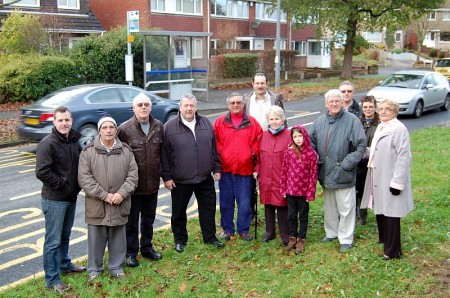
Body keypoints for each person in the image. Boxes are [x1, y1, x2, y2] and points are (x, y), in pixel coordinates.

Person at [161, 94, 224, 253]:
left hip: (204, 176)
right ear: (180, 107)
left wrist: (217, 168)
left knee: (208, 209)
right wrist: (167, 177)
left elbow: (213, 148)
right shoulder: (169, 127)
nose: (189, 109)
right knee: (178, 212)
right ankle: (180, 240)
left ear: (196, 107)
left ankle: (210, 238)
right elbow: (164, 155)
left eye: (192, 106)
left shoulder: (205, 123)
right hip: (181, 178)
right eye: (186, 106)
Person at [78, 116, 138, 282]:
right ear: (99, 131)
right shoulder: (88, 151)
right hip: (97, 204)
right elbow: (85, 179)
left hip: (120, 201)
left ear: (116, 130)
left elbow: (133, 176)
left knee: (118, 237)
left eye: (111, 127)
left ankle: (116, 267)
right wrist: (105, 195)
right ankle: (94, 269)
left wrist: (122, 193)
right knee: (96, 238)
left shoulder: (126, 151)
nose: (109, 130)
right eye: (104, 127)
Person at [35, 106, 86, 294]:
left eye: (67, 120)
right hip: (54, 200)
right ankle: (52, 279)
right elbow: (42, 172)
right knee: (53, 241)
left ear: (71, 120)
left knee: (65, 236)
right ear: (54, 122)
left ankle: (64, 265)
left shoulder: (73, 140)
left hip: (70, 198)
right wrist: (64, 184)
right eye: (60, 120)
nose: (64, 123)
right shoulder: (48, 144)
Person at [309, 89, 366, 253]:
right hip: (325, 172)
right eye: (331, 101)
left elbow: (360, 146)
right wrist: (316, 160)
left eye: (337, 101)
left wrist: (346, 164)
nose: (334, 104)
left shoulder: (352, 121)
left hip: (344, 172)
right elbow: (310, 143)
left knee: (346, 208)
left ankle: (346, 238)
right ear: (326, 104)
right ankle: (331, 233)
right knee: (330, 207)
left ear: (342, 103)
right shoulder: (319, 122)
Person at [361, 99, 413, 260]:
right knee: (381, 209)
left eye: (387, 109)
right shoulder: (382, 127)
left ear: (395, 112)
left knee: (391, 213)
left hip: (390, 176)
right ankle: (384, 240)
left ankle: (392, 251)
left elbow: (404, 157)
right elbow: (376, 149)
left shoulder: (399, 129)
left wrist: (397, 182)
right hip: (378, 173)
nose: (383, 111)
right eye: (381, 109)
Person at [117, 93, 164, 268]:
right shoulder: (124, 129)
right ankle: (130, 253)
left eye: (146, 104)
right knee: (131, 222)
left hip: (152, 184)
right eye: (140, 105)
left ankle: (147, 248)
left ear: (150, 107)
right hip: (132, 187)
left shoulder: (159, 126)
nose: (143, 107)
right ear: (134, 108)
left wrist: (165, 176)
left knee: (148, 219)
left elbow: (163, 154)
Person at [214, 93, 263, 241]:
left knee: (245, 203)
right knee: (225, 202)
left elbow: (259, 144)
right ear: (228, 105)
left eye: (239, 102)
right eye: (233, 103)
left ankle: (243, 229)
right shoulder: (219, 122)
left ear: (243, 105)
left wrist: (255, 164)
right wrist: (216, 167)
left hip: (245, 170)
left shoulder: (252, 123)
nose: (236, 105)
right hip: (226, 170)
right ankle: (228, 229)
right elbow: (213, 145)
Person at [243, 72, 285, 219]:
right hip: (251, 144)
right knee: (251, 177)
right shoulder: (246, 100)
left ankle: (277, 208)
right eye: (257, 83)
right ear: (252, 84)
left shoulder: (275, 99)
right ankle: (251, 210)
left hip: (271, 143)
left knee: (273, 176)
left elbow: (282, 119)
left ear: (267, 83)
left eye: (263, 83)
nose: (260, 86)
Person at [253, 106, 291, 246]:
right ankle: (269, 233)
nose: (274, 122)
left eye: (277, 119)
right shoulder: (263, 136)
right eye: (271, 119)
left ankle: (285, 235)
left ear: (282, 120)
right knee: (268, 205)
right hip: (266, 178)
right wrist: (256, 170)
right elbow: (258, 158)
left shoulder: (289, 135)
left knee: (282, 206)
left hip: (281, 178)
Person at [280, 124, 318, 254]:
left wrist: (310, 192)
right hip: (291, 191)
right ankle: (292, 237)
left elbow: (313, 174)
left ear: (305, 136)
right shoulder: (289, 152)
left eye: (300, 136)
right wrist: (283, 188)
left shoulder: (311, 154)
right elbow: (284, 171)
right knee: (291, 215)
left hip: (303, 192)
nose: (297, 139)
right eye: (295, 136)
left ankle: (302, 238)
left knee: (303, 216)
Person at [355, 95, 380, 225]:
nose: (368, 109)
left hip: (376, 162)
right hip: (361, 163)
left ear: (375, 107)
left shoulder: (380, 124)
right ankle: (362, 217)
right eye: (365, 107)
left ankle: (378, 217)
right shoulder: (358, 122)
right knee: (361, 190)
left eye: (371, 107)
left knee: (376, 190)